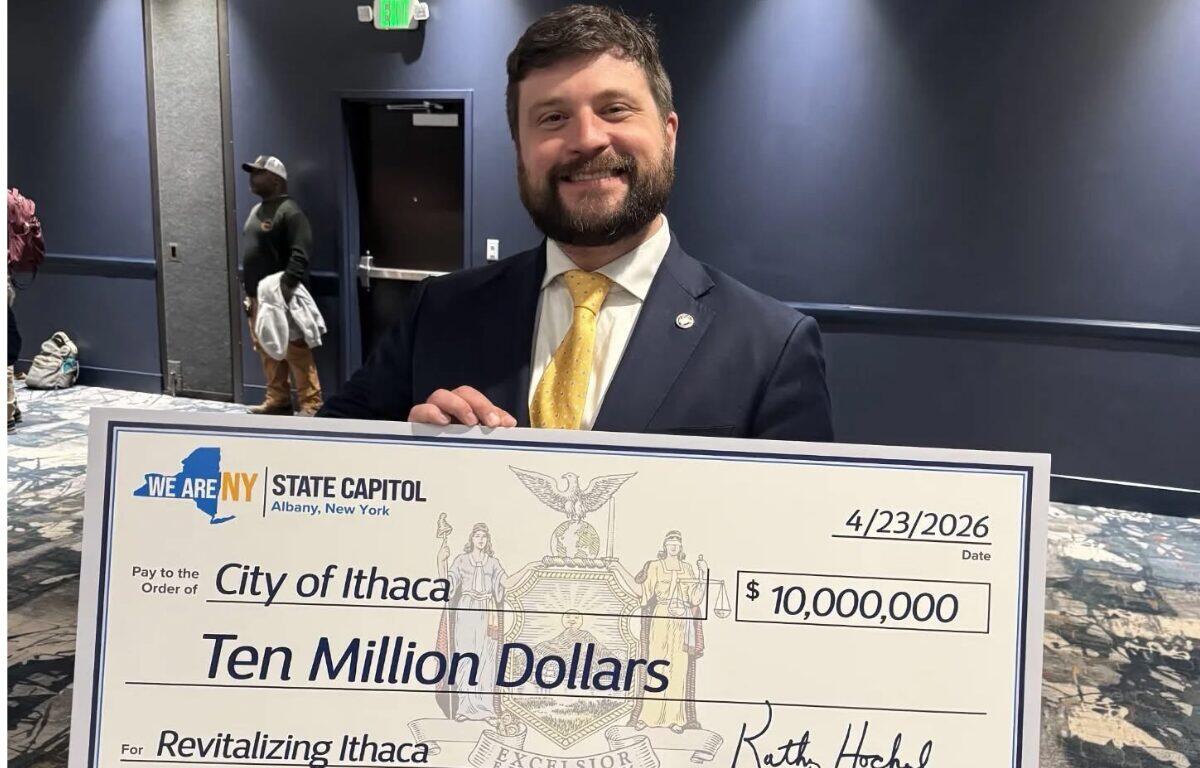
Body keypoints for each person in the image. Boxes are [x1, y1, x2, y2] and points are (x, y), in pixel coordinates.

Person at [319, 5, 832, 441]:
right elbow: (322, 460)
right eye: (552, 118)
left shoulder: (770, 347)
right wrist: (405, 449)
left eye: (614, 109)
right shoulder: (439, 312)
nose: (587, 139)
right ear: (520, 151)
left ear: (669, 134)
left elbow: (794, 545)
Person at [240, 155, 323, 416]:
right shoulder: (257, 211)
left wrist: (284, 291)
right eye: (252, 173)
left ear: (276, 180)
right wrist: (250, 294)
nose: (252, 178)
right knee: (267, 349)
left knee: (296, 350)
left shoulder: (290, 211)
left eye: (258, 173)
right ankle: (278, 400)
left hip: (281, 297)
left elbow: (301, 254)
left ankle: (311, 404)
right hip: (256, 297)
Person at [629, 530, 705, 732]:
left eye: (677, 543)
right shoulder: (655, 566)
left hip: (681, 620)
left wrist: (703, 575)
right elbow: (643, 592)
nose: (673, 546)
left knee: (678, 668)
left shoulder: (687, 569)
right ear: (664, 545)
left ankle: (676, 719)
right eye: (670, 542)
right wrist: (618, 568)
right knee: (656, 665)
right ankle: (648, 717)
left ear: (681, 547)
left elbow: (695, 599)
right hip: (661, 616)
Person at [436, 522, 507, 721]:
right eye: (477, 536)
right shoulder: (461, 561)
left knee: (487, 659)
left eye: (484, 536)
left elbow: (506, 583)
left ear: (488, 539)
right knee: (465, 658)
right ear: (471, 539)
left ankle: (486, 709)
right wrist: (440, 562)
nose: (481, 540)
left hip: (487, 611)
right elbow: (447, 587)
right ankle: (464, 708)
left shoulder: (493, 563)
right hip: (466, 610)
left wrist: (530, 569)